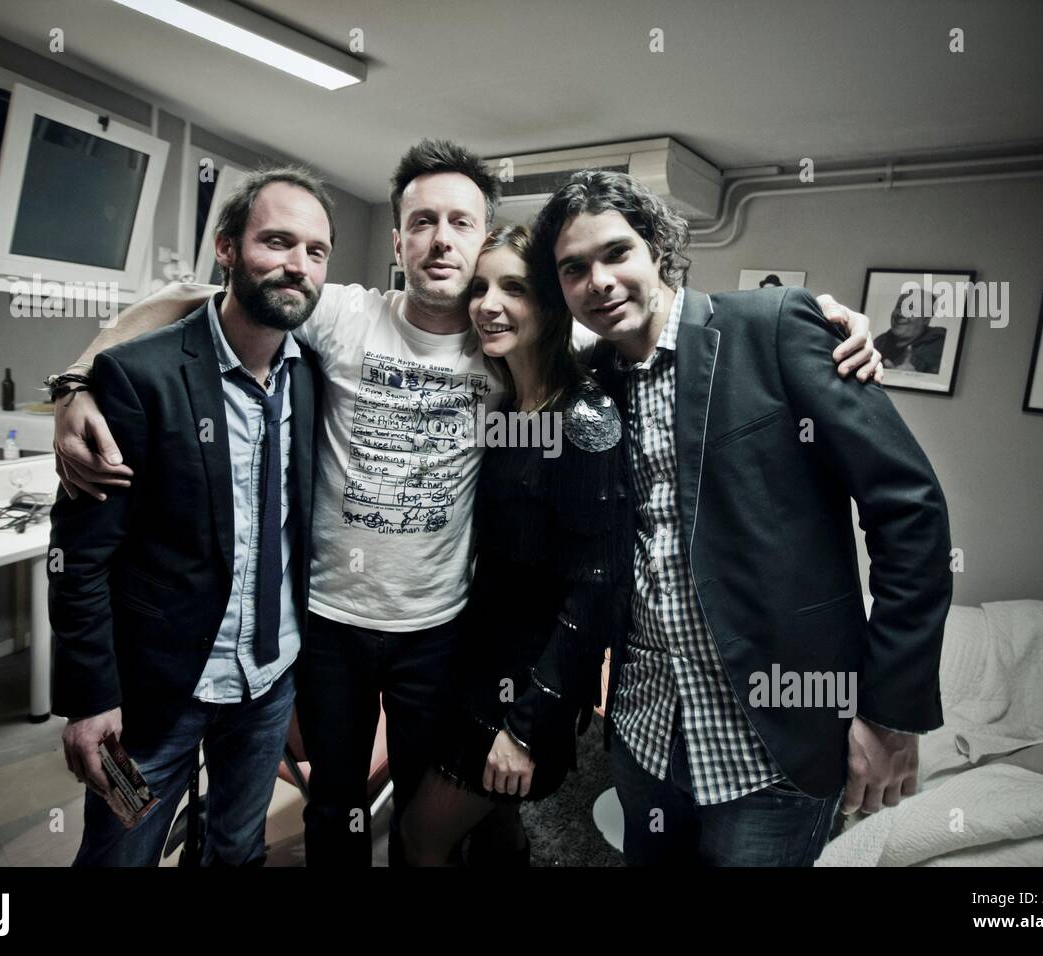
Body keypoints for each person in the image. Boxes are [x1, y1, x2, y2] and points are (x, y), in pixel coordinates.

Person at [50, 140, 883, 866]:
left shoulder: (517, 336)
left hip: (434, 632)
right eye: (421, 221)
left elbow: (648, 325)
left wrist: (817, 317)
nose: (441, 240)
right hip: (323, 627)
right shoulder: (337, 313)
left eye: (461, 222)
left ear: (486, 237)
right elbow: (195, 305)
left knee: (419, 817)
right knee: (318, 809)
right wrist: (81, 375)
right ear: (399, 238)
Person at [529, 170, 952, 866]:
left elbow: (910, 510)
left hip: (772, 742)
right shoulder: (591, 385)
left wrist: (890, 713)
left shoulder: (771, 328)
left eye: (615, 253)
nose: (598, 281)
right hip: (644, 730)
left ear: (657, 248)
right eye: (574, 269)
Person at [50, 165, 329, 865]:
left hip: (267, 688)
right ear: (226, 249)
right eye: (277, 241)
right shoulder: (138, 376)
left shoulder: (317, 376)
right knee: (119, 852)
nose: (297, 264)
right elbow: (79, 557)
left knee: (237, 849)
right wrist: (89, 699)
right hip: (147, 703)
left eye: (316, 250)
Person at [400, 226, 630, 866]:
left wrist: (529, 725)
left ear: (553, 304)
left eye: (515, 288)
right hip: (474, 658)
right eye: (479, 288)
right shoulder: (507, 403)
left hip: (528, 685)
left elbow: (597, 588)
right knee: (493, 827)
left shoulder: (582, 418)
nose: (488, 304)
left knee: (420, 836)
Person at [878, 289, 947, 374]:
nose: (901, 314)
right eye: (899, 307)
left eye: (911, 309)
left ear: (926, 319)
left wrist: (915, 380)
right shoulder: (879, 342)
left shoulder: (940, 350)